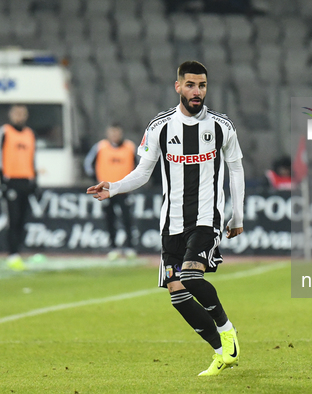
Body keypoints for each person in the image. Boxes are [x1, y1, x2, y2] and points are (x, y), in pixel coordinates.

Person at [87, 61, 245, 377]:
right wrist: (114, 187)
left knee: (190, 276)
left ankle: (227, 331)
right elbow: (143, 172)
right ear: (178, 87)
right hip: (171, 223)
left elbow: (236, 168)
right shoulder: (159, 126)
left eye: (201, 85)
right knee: (177, 293)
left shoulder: (220, 126)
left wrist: (236, 215)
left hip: (205, 217)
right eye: (190, 85)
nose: (196, 91)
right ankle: (220, 352)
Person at [84, 124, 137, 259]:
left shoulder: (130, 147)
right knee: (110, 219)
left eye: (117, 132)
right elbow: (88, 165)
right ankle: (113, 247)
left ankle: (130, 247)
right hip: (106, 190)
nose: (114, 135)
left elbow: (140, 166)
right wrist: (96, 180)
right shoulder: (100, 147)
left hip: (124, 189)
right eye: (112, 133)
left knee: (127, 219)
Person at [0, 104, 37, 271]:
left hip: (25, 181)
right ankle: (12, 253)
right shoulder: (5, 132)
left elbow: (32, 158)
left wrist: (35, 180)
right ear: (11, 115)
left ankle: (18, 252)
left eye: (22, 114)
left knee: (23, 218)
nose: (19, 117)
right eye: (17, 114)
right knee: (13, 218)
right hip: (10, 180)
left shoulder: (29, 134)